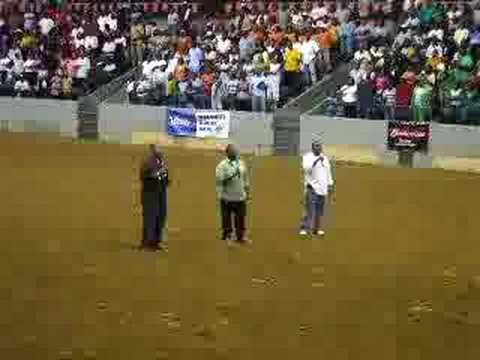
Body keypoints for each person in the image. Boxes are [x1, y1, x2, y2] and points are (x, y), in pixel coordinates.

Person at [215, 144, 250, 243]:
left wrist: (247, 191)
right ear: (227, 153)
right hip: (227, 197)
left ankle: (240, 236)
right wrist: (231, 176)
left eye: (235, 151)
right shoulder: (222, 166)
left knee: (241, 218)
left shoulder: (241, 163)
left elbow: (245, 179)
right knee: (226, 219)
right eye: (232, 151)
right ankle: (227, 235)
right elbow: (220, 181)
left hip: (240, 197)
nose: (234, 153)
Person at [299, 137, 334, 236]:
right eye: (316, 146)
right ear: (312, 147)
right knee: (309, 209)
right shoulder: (307, 157)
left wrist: (330, 184)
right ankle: (304, 228)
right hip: (312, 187)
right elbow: (307, 169)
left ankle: (316, 229)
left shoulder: (325, 158)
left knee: (319, 211)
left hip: (323, 188)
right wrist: (316, 161)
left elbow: (328, 172)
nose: (318, 148)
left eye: (320, 146)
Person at [140, 144, 170, 251]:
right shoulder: (147, 164)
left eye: (161, 151)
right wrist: (157, 175)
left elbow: (166, 179)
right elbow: (145, 177)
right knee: (150, 218)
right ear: (152, 151)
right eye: (158, 151)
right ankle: (146, 243)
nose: (161, 153)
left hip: (161, 194)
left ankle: (156, 242)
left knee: (160, 218)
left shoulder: (162, 163)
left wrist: (165, 179)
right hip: (150, 195)